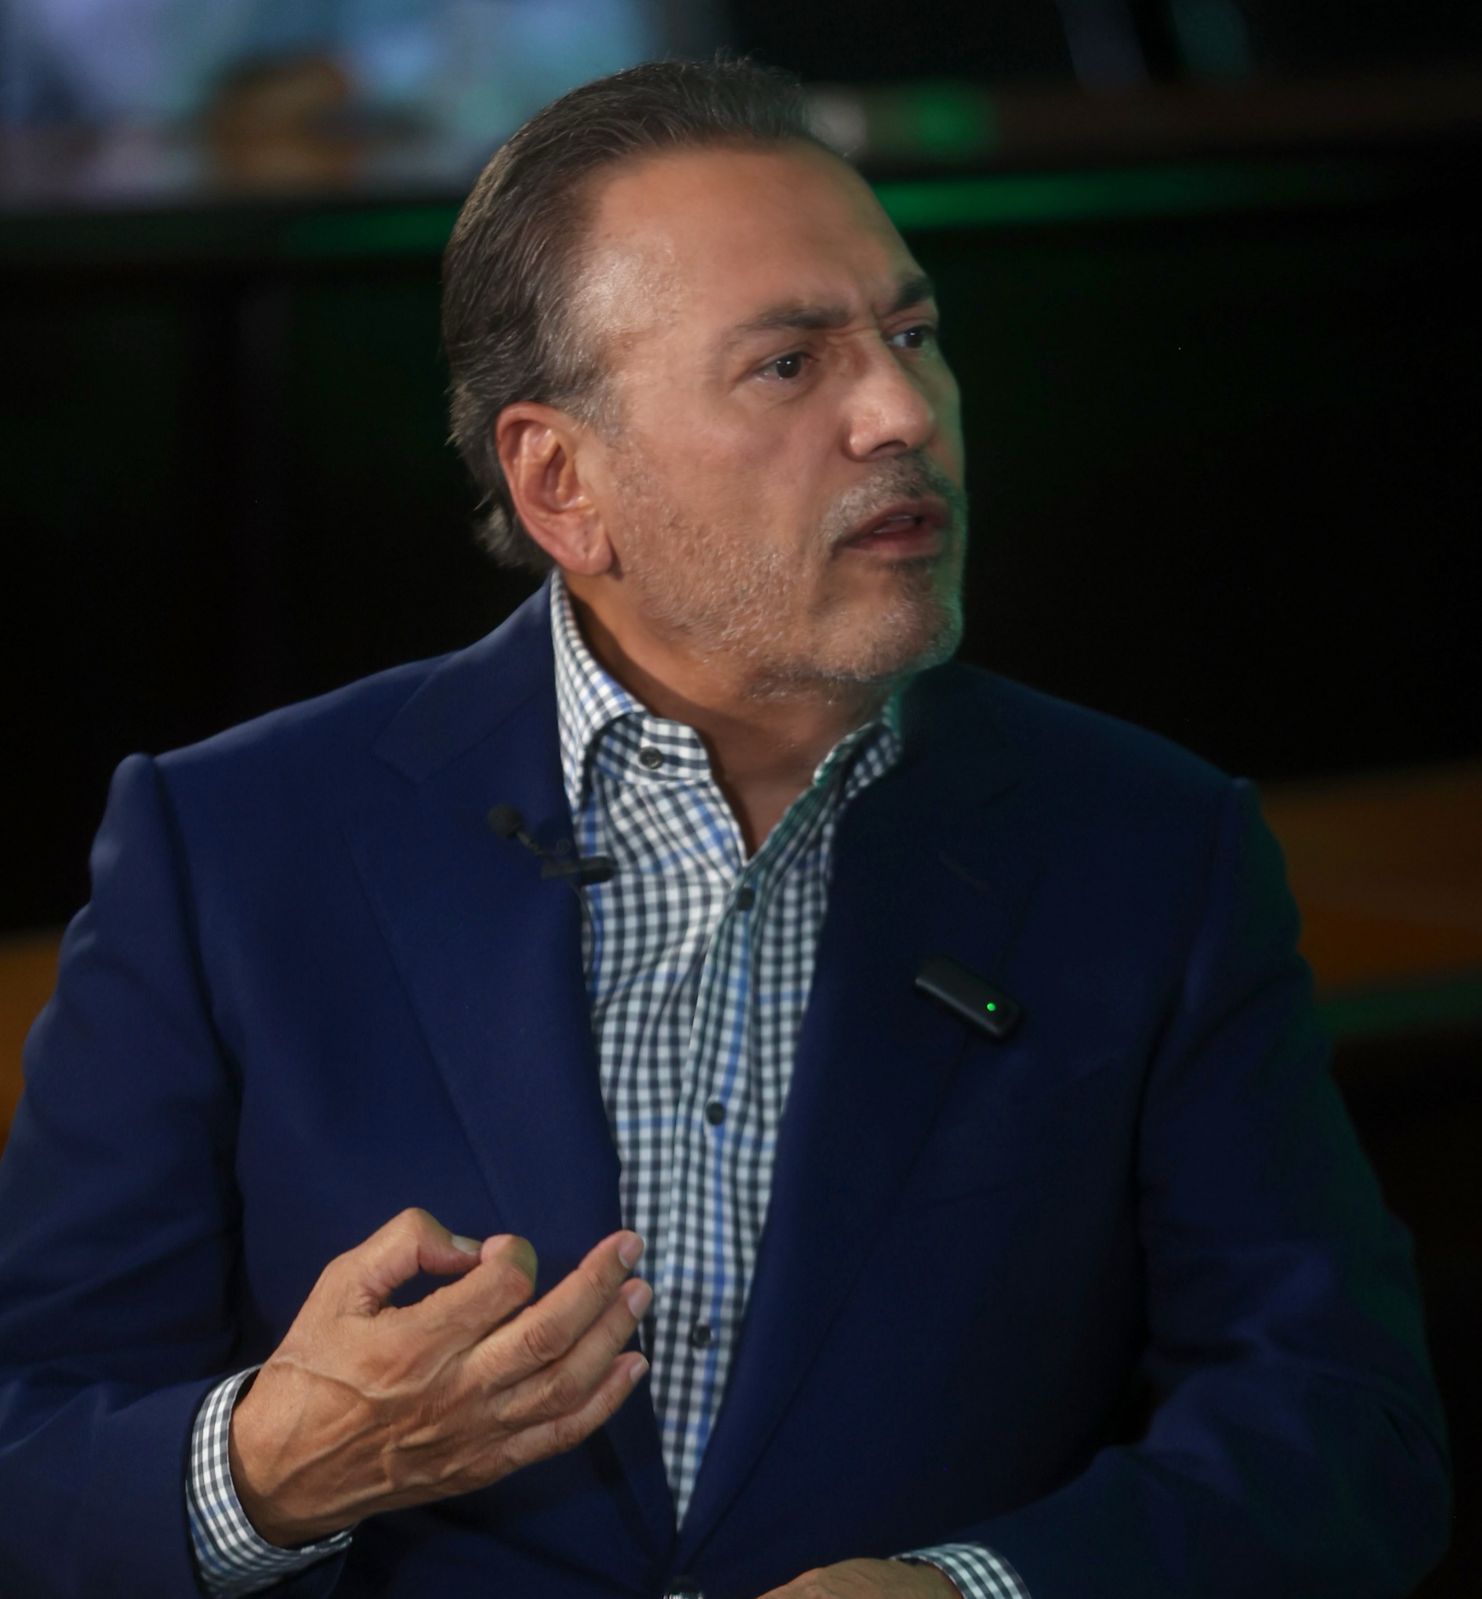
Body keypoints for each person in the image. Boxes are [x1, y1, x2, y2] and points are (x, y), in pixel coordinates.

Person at [0, 58, 1450, 1599]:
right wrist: (269, 1473)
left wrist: (975, 1592)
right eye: (788, 364)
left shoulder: (1152, 846)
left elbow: (1341, 1432)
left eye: (911, 335)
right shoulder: (229, 844)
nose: (902, 414)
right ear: (561, 481)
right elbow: (28, 1456)